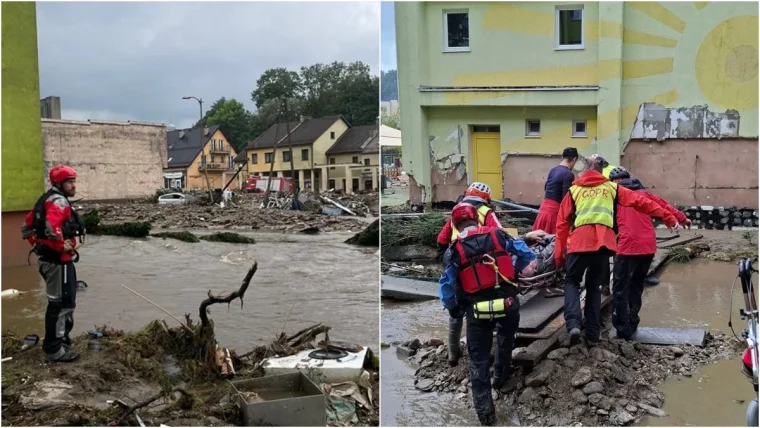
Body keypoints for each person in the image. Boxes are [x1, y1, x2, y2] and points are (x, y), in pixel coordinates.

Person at [554, 157, 680, 346]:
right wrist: (669, 218)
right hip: (604, 245)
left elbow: (561, 224)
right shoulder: (611, 188)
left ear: (581, 174)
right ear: (601, 174)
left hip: (580, 243)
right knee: (594, 287)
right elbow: (641, 202)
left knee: (572, 281)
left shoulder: (574, 190)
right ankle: (593, 334)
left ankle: (573, 324)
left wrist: (558, 255)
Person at [439, 204, 541, 426]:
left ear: (456, 225)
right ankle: (501, 377)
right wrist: (513, 271)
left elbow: (446, 286)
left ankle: (486, 416)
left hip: (477, 310)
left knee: (479, 359)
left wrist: (453, 307)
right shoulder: (498, 234)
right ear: (478, 219)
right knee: (506, 338)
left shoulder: (454, 250)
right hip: (508, 302)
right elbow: (526, 254)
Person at [607, 166, 691, 339]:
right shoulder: (645, 194)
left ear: (615, 182)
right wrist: (682, 219)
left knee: (620, 289)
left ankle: (622, 330)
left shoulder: (615, 196)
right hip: (648, 248)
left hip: (627, 246)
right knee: (636, 287)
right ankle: (633, 321)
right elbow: (665, 206)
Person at [21, 165, 85, 363]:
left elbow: (26, 226)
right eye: (69, 182)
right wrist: (60, 245)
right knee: (62, 305)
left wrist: (39, 245)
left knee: (61, 303)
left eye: (74, 181)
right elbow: (51, 226)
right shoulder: (58, 201)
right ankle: (54, 350)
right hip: (58, 263)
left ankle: (61, 342)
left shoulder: (45, 199)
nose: (74, 185)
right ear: (59, 183)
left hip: (51, 261)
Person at [436, 182, 503, 367]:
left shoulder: (455, 214)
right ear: (485, 199)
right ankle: (485, 351)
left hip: (457, 265)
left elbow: (441, 240)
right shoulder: (486, 213)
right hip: (482, 267)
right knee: (486, 307)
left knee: (456, 310)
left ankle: (453, 353)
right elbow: (501, 235)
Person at [436, 182, 502, 254]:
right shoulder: (486, 211)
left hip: (456, 251)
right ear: (485, 198)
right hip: (479, 249)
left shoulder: (456, 212)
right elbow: (499, 232)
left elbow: (441, 239)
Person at [532, 147, 578, 234]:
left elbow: (546, 187)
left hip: (543, 210)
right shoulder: (568, 174)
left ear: (563, 157)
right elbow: (565, 199)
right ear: (574, 159)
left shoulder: (553, 170)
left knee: (538, 241)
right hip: (554, 214)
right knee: (552, 243)